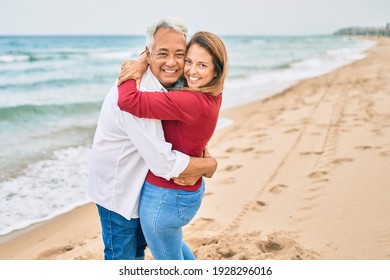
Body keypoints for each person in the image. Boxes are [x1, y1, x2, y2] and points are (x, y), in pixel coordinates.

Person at [87, 19, 217, 260]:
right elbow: (163, 162)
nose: (171, 62)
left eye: (180, 54)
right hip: (119, 190)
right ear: (148, 54)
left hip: (144, 189)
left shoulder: (174, 83)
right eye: (162, 53)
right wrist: (208, 166)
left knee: (145, 249)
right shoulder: (139, 92)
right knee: (123, 258)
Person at [117, 31, 228, 259]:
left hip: (165, 198)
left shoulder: (188, 100)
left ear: (216, 70)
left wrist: (136, 69)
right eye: (188, 61)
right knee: (173, 248)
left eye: (202, 65)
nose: (191, 71)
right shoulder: (213, 95)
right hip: (185, 191)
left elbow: (127, 101)